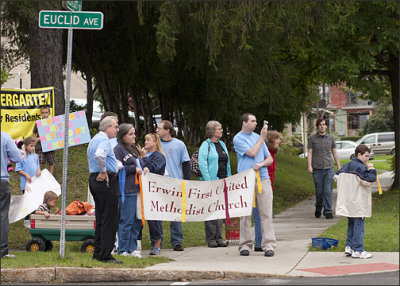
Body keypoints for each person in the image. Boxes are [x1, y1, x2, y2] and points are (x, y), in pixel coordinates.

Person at [233, 113, 276, 257]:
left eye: (256, 121)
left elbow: (269, 158)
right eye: (252, 121)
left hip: (263, 179)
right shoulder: (238, 138)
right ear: (244, 123)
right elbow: (251, 153)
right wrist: (262, 138)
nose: (255, 123)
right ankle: (245, 245)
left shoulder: (258, 137)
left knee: (266, 213)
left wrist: (262, 164)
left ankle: (268, 245)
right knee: (245, 214)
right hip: (245, 180)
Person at [87, 116, 122, 264]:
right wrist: (103, 170)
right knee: (110, 219)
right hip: (106, 180)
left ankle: (98, 252)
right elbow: (100, 155)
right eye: (115, 126)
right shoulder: (104, 141)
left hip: (95, 179)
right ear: (107, 127)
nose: (117, 129)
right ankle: (106, 255)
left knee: (101, 218)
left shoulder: (94, 139)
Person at [335, 144, 376, 259]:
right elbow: (369, 180)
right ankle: (358, 249)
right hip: (358, 202)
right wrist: (372, 169)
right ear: (359, 154)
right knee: (359, 225)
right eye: (366, 156)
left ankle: (349, 247)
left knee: (351, 224)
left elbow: (336, 177)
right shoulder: (361, 167)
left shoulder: (345, 166)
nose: (367, 159)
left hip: (348, 202)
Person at [156, 120, 191, 251]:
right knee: (157, 213)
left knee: (175, 214)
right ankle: (158, 240)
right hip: (159, 184)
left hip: (175, 183)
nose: (157, 130)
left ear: (167, 131)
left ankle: (177, 241)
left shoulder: (179, 144)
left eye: (159, 128)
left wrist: (186, 182)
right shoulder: (156, 144)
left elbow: (186, 163)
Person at [198, 121, 230, 248]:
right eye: (219, 129)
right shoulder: (206, 145)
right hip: (211, 182)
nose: (221, 131)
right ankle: (211, 238)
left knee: (220, 210)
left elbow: (226, 163)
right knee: (211, 210)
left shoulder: (222, 144)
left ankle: (219, 237)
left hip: (223, 181)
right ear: (212, 131)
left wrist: (229, 178)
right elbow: (202, 164)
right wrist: (209, 180)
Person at [113, 123, 143, 258]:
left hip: (138, 189)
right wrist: (133, 170)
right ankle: (123, 249)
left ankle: (132, 248)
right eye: (130, 134)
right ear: (123, 135)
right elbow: (117, 167)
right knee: (126, 220)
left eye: (134, 133)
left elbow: (140, 164)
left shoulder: (133, 150)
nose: (134, 136)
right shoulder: (118, 149)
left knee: (137, 220)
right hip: (126, 189)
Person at [138, 133, 167, 255]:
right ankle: (137, 243)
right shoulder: (145, 155)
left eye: (148, 140)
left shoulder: (159, 156)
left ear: (155, 143)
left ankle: (157, 243)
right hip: (141, 190)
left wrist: (144, 158)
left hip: (154, 191)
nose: (145, 142)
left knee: (154, 219)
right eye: (145, 140)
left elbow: (154, 170)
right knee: (140, 216)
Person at [253, 130, 281, 251]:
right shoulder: (265, 154)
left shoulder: (271, 154)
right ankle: (259, 242)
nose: (279, 141)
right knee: (261, 215)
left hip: (268, 186)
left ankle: (260, 241)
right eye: (277, 139)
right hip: (260, 185)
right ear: (271, 141)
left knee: (264, 215)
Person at [307, 117, 341, 219]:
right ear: (317, 126)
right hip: (317, 168)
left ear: (326, 126)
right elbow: (310, 153)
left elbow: (334, 152)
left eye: (324, 124)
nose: (322, 126)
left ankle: (328, 211)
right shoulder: (312, 139)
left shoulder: (331, 138)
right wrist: (309, 166)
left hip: (329, 167)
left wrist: (338, 165)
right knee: (319, 191)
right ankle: (318, 208)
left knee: (327, 190)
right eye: (320, 124)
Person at [1, 131, 23, 259]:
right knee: (2, 216)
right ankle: (2, 251)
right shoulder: (5, 137)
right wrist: (20, 150)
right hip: (2, 181)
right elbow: (16, 157)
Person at [15, 137, 42, 227]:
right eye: (31, 146)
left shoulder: (35, 156)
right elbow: (18, 169)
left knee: (35, 201)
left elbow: (38, 166)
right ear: (26, 146)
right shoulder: (21, 156)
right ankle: (27, 219)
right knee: (27, 201)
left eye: (34, 146)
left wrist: (38, 170)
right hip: (26, 184)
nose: (33, 148)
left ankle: (34, 219)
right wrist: (26, 175)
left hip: (35, 183)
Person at [32, 105, 56, 174]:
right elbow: (34, 132)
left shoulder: (52, 122)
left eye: (46, 112)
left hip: (50, 145)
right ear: (40, 113)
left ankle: (50, 175)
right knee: (40, 161)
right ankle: (40, 173)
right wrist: (36, 139)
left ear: (49, 113)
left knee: (51, 161)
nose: (44, 114)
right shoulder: (38, 123)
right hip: (40, 146)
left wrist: (56, 144)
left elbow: (55, 133)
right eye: (43, 113)